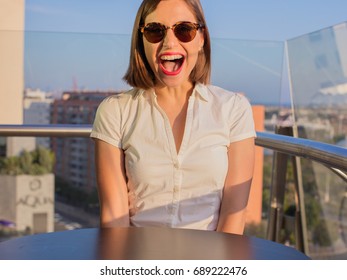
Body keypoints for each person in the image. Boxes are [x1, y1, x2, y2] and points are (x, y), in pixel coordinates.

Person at [90, 0, 256, 235]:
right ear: (141, 40)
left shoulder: (234, 109)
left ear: (202, 39)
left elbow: (233, 219)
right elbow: (114, 221)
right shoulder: (114, 111)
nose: (169, 42)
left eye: (184, 30)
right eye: (155, 31)